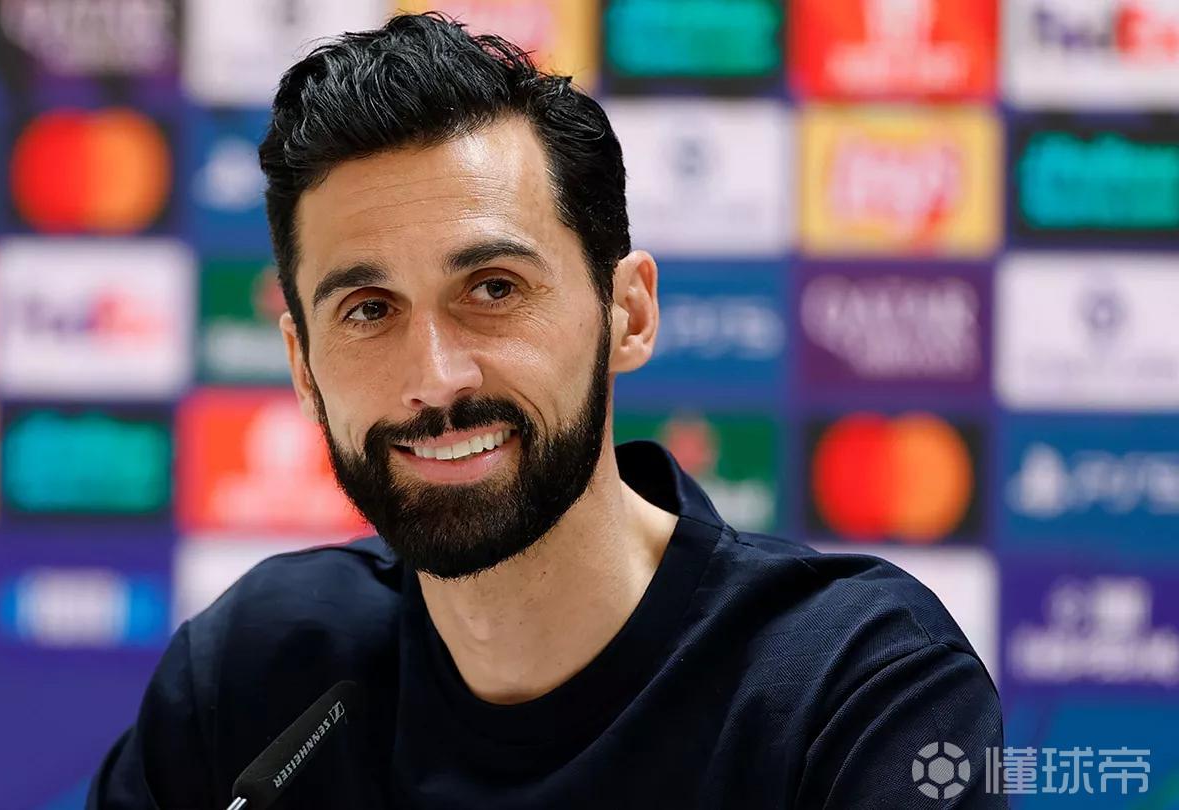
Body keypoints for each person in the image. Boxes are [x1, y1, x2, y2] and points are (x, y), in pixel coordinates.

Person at [88, 12, 1004, 809]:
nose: (436, 378)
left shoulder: (854, 687)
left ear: (628, 313)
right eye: (368, 311)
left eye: (493, 288)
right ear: (302, 365)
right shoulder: (251, 671)